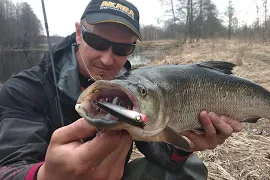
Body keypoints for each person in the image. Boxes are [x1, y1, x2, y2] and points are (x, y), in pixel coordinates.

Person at [0, 0, 243, 179]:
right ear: (78, 33)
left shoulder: (135, 88)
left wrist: (185, 142)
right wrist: (44, 176)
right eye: (97, 42)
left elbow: (162, 153)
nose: (108, 60)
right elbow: (8, 167)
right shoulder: (23, 90)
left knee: (189, 169)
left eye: (122, 49)